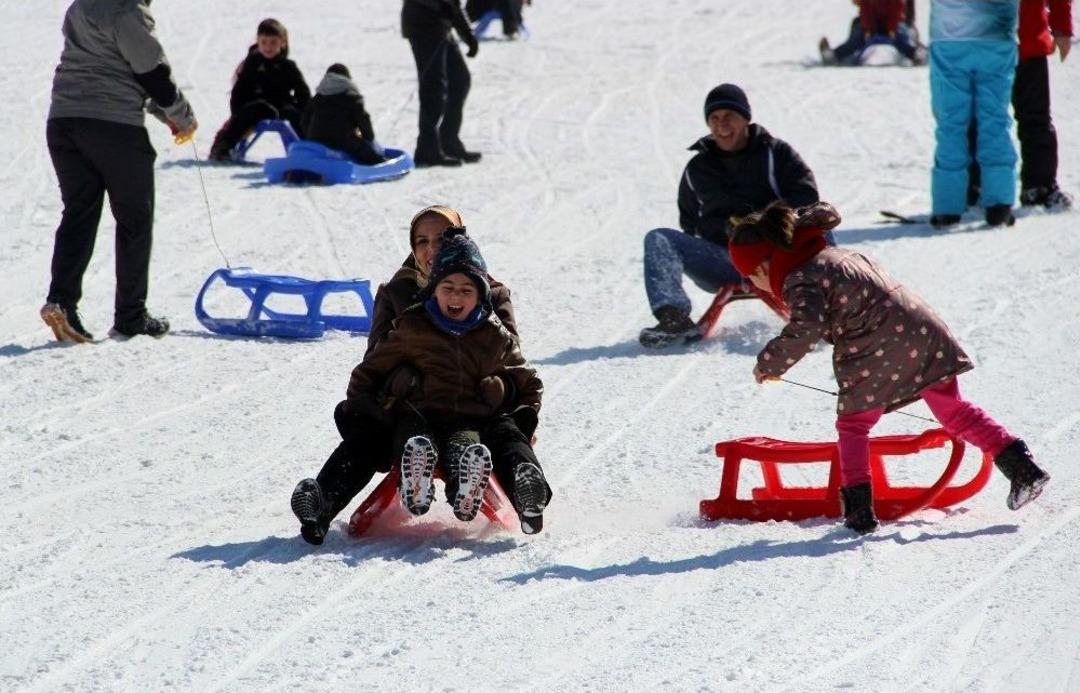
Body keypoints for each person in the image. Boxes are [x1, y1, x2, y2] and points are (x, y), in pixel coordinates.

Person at [728, 200, 1050, 534]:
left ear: (765, 266)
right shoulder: (833, 254)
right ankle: (1023, 469)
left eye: (751, 276)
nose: (755, 286)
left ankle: (858, 512)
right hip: (922, 330)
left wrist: (770, 363)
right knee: (954, 410)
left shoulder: (800, 276)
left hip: (875, 344)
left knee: (853, 425)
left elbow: (805, 328)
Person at [290, 206, 551, 543]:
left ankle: (527, 492)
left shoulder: (491, 295)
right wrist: (395, 383)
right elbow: (375, 362)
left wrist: (502, 390)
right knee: (369, 437)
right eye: (422, 241)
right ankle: (320, 503)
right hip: (410, 411)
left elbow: (513, 362)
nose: (431, 249)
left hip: (472, 410)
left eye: (442, 239)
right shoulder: (398, 294)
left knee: (503, 434)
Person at [342, 230, 545, 526]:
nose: (456, 296)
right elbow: (371, 367)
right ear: (433, 289)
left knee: (469, 446)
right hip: (414, 411)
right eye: (448, 287)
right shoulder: (411, 319)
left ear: (481, 295)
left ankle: (476, 492)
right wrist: (364, 410)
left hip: (469, 416)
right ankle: (414, 482)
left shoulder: (491, 330)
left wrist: (516, 406)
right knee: (412, 439)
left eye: (466, 291)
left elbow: (524, 377)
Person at [41, 0, 197, 343]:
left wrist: (165, 113)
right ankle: (131, 316)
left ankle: (61, 301)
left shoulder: (80, 6)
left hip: (64, 120)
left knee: (79, 212)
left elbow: (114, 67)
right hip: (113, 127)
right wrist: (181, 114)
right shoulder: (127, 10)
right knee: (134, 219)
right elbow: (151, 72)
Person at [639, 83, 820, 348]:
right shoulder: (698, 168)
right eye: (714, 119)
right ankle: (673, 318)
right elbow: (688, 223)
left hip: (778, 257)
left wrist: (763, 226)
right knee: (659, 239)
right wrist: (721, 230)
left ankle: (825, 309)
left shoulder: (775, 154)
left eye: (729, 117)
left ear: (745, 119)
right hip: (724, 260)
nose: (721, 125)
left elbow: (807, 200)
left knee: (821, 226)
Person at [970, 0, 1073, 211]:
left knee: (1032, 117)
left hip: (1023, 41)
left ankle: (1038, 186)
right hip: (989, 40)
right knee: (981, 118)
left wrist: (1062, 25)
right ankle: (975, 186)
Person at [928, 0, 1019, 228]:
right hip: (996, 35)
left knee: (951, 124)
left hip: (949, 36)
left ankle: (947, 207)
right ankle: (999, 204)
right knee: (995, 121)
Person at [208, 19, 310, 162]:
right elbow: (239, 90)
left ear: (282, 42)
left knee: (294, 115)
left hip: (281, 106)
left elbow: (302, 91)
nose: (268, 47)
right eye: (264, 42)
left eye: (273, 42)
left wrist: (304, 110)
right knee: (250, 112)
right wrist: (237, 112)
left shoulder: (288, 66)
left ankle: (308, 150)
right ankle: (225, 147)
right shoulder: (252, 63)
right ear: (258, 42)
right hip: (257, 105)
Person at [401, 0, 481, 167]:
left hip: (440, 24)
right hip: (422, 22)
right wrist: (439, 6)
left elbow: (454, 4)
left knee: (460, 80)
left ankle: (448, 140)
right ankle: (427, 149)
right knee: (434, 86)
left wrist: (468, 35)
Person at [301, 63, 386, 165]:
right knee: (370, 156)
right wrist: (368, 138)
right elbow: (363, 120)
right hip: (342, 141)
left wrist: (311, 136)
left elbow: (304, 121)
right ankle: (380, 164)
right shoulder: (352, 97)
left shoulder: (318, 97)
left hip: (316, 141)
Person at [819, 0, 925, 66]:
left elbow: (896, 10)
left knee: (899, 38)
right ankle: (834, 55)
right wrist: (868, 29)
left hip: (890, 23)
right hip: (872, 23)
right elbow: (865, 10)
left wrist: (891, 29)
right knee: (857, 39)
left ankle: (914, 54)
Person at [465, 0, 529, 39]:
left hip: (509, 10)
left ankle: (514, 31)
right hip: (497, 8)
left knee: (513, 12)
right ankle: (476, 33)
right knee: (488, 16)